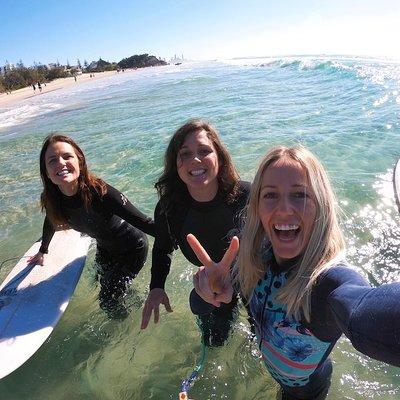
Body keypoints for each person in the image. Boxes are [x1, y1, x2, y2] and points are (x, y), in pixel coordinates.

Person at [189, 145, 400, 399]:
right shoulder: (254, 255)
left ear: (321, 205)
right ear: (256, 207)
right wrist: (206, 292)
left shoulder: (325, 284)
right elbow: (199, 307)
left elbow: (361, 309)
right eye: (270, 195)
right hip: (275, 364)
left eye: (300, 194)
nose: (285, 209)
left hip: (305, 390)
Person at [140, 119, 250, 347]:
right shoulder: (170, 208)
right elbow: (162, 247)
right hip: (214, 284)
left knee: (265, 338)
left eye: (204, 151)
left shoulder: (246, 196)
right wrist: (157, 287)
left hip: (253, 277)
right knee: (214, 341)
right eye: (185, 153)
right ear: (175, 164)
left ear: (219, 156)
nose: (195, 159)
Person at [29, 134, 155, 319]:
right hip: (105, 248)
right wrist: (43, 250)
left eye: (67, 156)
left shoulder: (100, 192)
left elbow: (145, 223)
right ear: (46, 172)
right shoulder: (53, 200)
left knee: (107, 300)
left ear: (79, 161)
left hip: (132, 249)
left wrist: (183, 235)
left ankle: (126, 327)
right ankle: (134, 301)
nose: (61, 163)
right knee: (101, 280)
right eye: (52, 160)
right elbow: (50, 222)